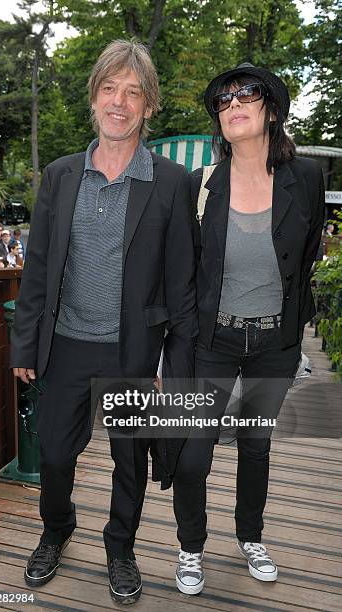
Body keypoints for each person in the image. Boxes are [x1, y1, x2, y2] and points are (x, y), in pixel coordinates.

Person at [10, 39, 196, 604]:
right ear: (94, 97)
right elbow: (38, 269)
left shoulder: (170, 182)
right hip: (65, 344)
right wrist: (24, 346)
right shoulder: (62, 176)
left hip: (134, 350)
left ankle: (121, 548)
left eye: (133, 92)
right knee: (57, 454)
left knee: (129, 460)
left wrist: (171, 364)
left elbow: (183, 283)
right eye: (110, 89)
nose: (120, 102)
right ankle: (56, 529)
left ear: (148, 105)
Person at [172, 63, 325, 593]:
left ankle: (250, 534)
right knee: (194, 452)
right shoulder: (202, 185)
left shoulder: (306, 178)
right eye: (223, 99)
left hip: (274, 345)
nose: (233, 103)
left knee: (254, 445)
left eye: (246, 94)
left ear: (270, 108)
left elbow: (304, 259)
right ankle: (191, 546)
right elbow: (188, 273)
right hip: (213, 343)